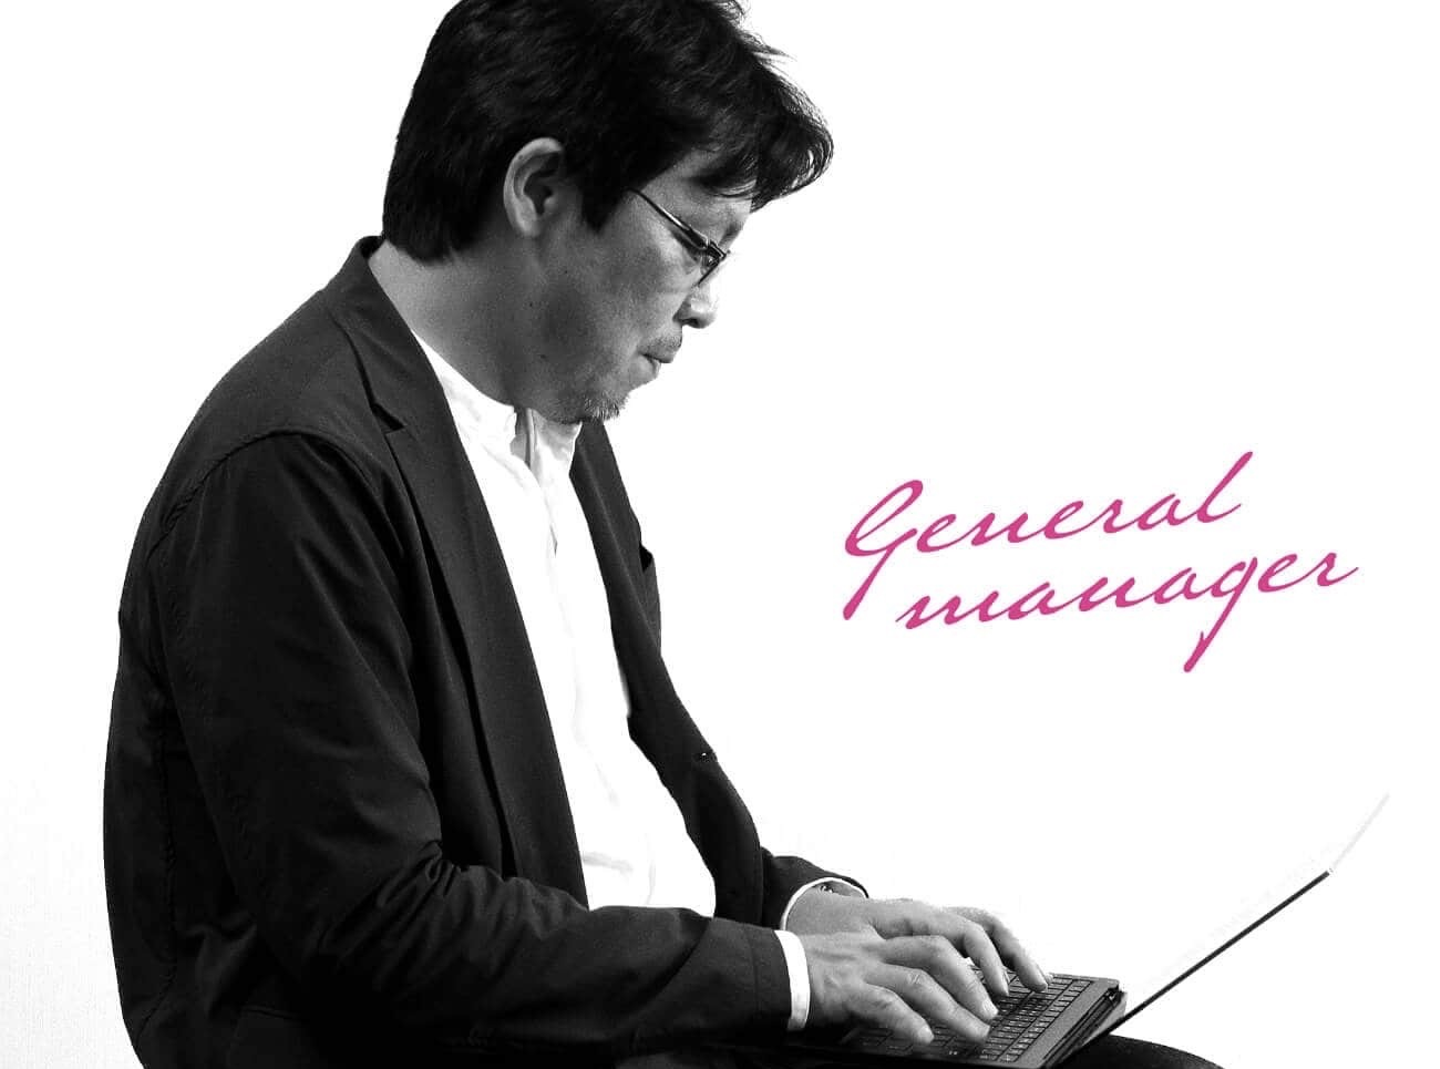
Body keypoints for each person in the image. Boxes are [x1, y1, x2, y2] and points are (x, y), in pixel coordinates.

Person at [104, 3, 1217, 1067]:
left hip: (662, 1025)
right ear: (540, 188)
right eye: (700, 243)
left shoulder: (549, 417)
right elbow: (384, 931)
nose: (706, 303)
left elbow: (628, 812)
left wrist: (811, 913)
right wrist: (785, 975)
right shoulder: (295, 464)